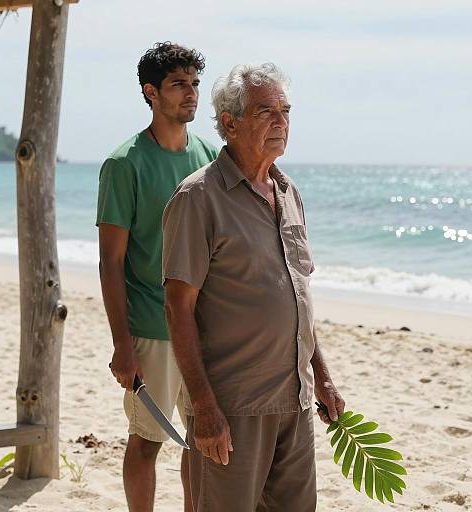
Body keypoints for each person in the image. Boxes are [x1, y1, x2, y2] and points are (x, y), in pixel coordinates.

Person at [162, 63, 345, 511]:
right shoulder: (197, 198)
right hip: (232, 409)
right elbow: (178, 308)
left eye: (285, 111)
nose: (281, 122)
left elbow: (298, 300)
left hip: (296, 404)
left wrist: (321, 376)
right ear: (229, 122)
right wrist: (204, 409)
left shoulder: (289, 193)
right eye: (266, 112)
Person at [96, 42, 218, 512]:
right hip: (150, 328)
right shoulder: (124, 164)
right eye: (178, 85)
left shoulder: (209, 155)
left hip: (203, 327)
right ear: (151, 93)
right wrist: (122, 344)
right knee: (148, 441)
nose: (190, 94)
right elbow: (111, 262)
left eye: (194, 84)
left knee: (200, 440)